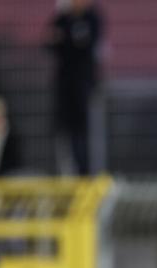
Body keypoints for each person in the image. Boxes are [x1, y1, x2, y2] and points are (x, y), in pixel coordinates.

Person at [46, 0, 104, 175]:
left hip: (83, 84)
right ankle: (66, 171)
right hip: (64, 84)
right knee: (63, 130)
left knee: (83, 131)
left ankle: (84, 172)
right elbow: (49, 42)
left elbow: (86, 45)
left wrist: (66, 39)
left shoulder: (92, 18)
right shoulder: (62, 18)